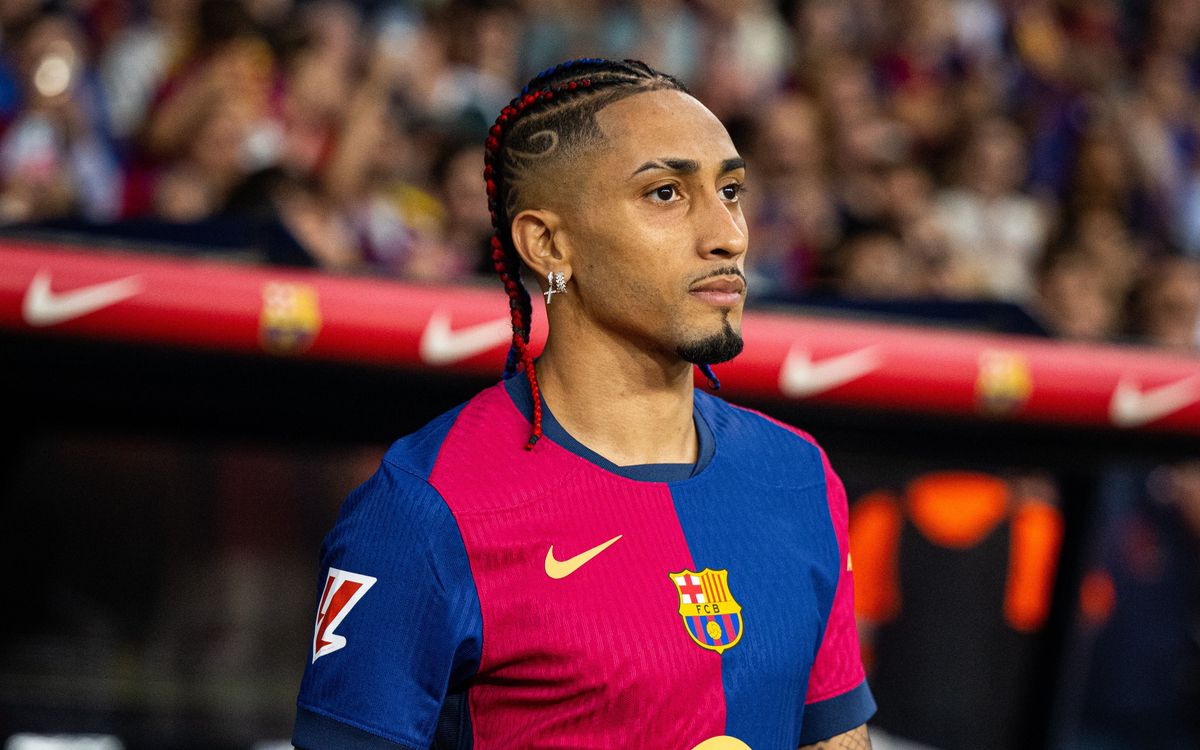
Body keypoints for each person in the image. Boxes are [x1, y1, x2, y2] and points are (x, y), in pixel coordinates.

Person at [292, 58, 875, 750]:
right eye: (665, 193)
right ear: (548, 244)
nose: (729, 235)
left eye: (730, 191)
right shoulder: (421, 509)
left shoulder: (800, 475)